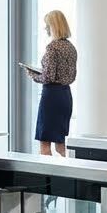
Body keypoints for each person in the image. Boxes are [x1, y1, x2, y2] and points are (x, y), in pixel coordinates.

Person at [25, 10, 77, 156]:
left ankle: (46, 177)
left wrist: (33, 74)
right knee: (60, 143)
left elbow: (48, 77)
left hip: (51, 96)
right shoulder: (71, 48)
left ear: (53, 26)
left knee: (45, 143)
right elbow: (70, 75)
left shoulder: (52, 47)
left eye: (47, 25)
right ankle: (63, 175)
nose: (45, 28)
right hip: (65, 95)